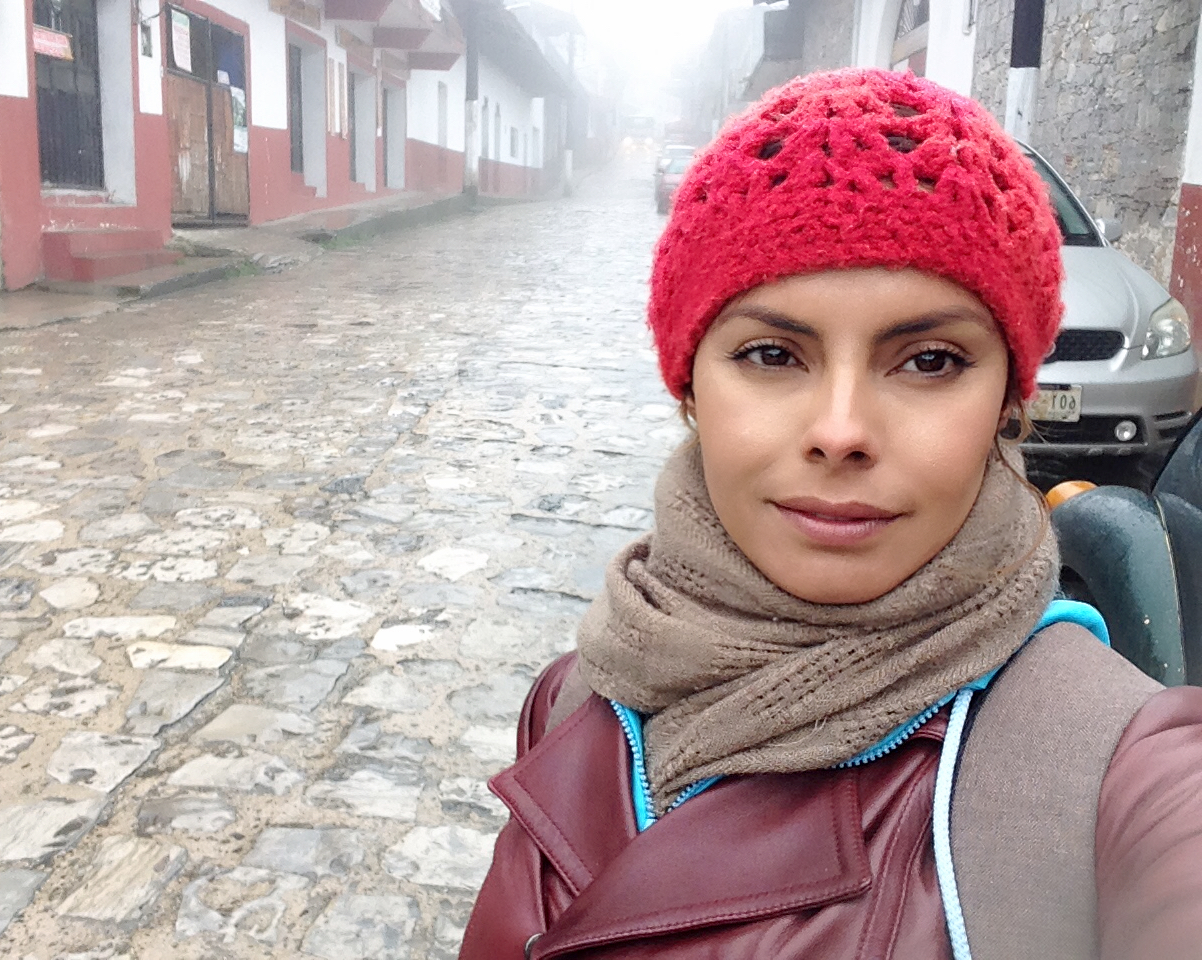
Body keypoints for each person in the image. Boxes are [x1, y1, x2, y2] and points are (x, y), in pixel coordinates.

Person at [459, 68, 1202, 960]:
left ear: (1008, 398)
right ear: (690, 388)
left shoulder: (1113, 772)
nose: (841, 431)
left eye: (930, 360)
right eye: (773, 354)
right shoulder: (578, 694)